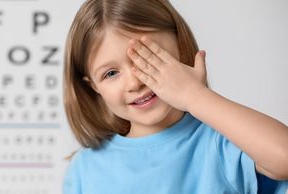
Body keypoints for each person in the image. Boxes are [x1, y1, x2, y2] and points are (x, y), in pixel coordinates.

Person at [62, 0, 288, 193]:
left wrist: (196, 96)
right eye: (111, 73)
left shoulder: (223, 143)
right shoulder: (86, 169)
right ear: (93, 87)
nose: (135, 82)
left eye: (148, 57)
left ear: (180, 47)